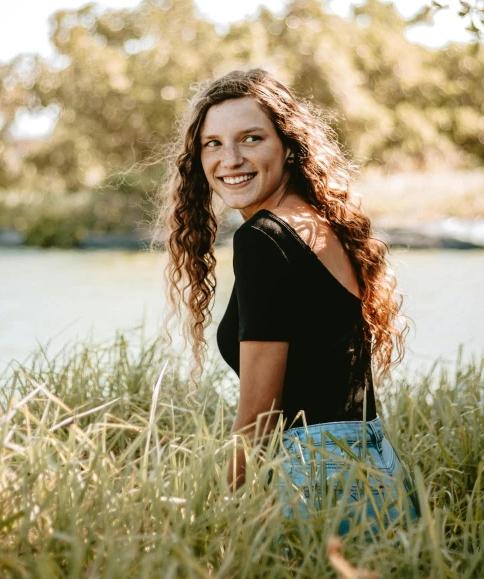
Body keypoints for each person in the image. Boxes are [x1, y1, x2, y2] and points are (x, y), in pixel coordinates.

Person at [156, 66, 420, 539]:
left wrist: (212, 514)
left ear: (287, 146)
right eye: (213, 143)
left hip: (316, 476)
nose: (230, 159)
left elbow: (259, 414)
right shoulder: (320, 221)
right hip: (376, 465)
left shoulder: (264, 240)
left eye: (251, 139)